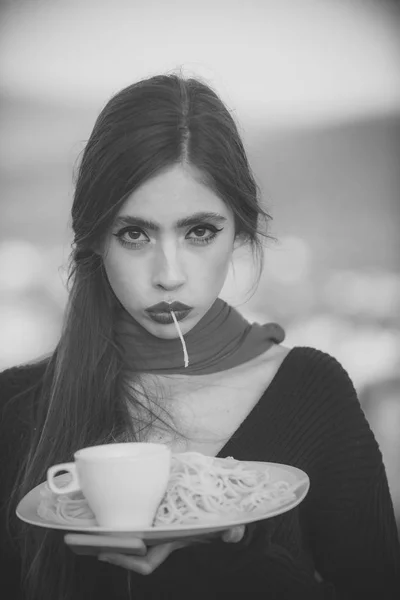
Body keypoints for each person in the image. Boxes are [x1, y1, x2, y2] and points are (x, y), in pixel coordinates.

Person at [0, 71, 399, 600]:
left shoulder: (312, 392)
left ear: (239, 230)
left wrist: (237, 566)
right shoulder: (18, 408)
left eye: (199, 232)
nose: (169, 274)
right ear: (94, 239)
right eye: (135, 233)